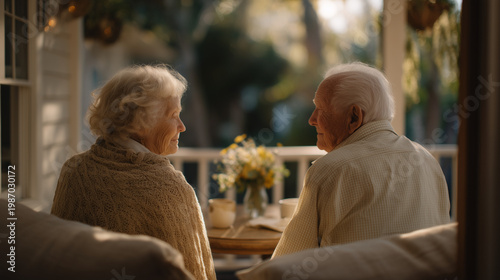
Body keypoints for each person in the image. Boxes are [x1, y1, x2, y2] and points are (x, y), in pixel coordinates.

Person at [51, 65, 216, 280]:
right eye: (173, 115)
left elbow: (57, 260)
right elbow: (192, 270)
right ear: (141, 124)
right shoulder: (170, 187)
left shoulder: (74, 171)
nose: (182, 126)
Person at [272, 62, 451, 258]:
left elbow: (287, 264)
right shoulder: (427, 160)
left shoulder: (330, 171)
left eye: (321, 109)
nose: (312, 119)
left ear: (354, 117)